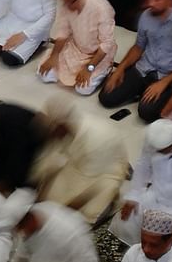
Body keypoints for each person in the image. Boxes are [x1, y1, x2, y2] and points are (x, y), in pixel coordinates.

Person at [99, 0, 172, 121]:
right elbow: (138, 47)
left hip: (169, 74)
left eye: (156, 0)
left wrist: (165, 81)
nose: (151, 4)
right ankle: (141, 90)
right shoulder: (145, 16)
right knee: (106, 97)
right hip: (145, 67)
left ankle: (155, 92)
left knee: (146, 113)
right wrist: (120, 69)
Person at [30, 94, 128, 224]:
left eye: (52, 129)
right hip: (79, 162)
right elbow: (50, 160)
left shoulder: (95, 142)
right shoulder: (64, 130)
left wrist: (61, 213)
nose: (50, 133)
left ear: (62, 126)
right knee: (49, 193)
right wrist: (39, 195)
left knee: (83, 214)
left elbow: (88, 188)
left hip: (104, 172)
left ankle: (108, 204)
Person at [39, 0, 116, 96]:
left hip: (96, 55)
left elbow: (106, 43)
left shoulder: (102, 8)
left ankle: (105, 70)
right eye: (63, 0)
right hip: (75, 48)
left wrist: (89, 68)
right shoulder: (67, 1)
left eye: (70, 2)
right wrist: (54, 56)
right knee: (44, 75)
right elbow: (63, 32)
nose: (66, 5)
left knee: (83, 89)